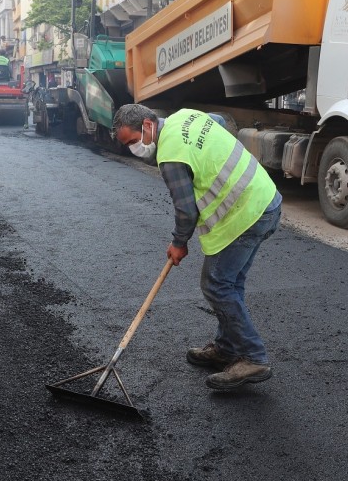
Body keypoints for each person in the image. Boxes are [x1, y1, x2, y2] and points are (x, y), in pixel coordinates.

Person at [112, 104, 281, 391]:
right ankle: (227, 348)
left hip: (245, 213)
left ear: (148, 125)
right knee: (230, 282)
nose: (133, 148)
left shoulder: (170, 155)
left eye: (133, 141)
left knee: (217, 284)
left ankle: (253, 356)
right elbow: (218, 122)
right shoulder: (184, 116)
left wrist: (179, 243)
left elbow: (186, 210)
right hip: (266, 199)